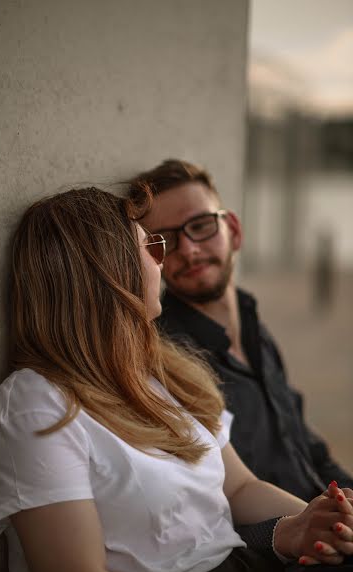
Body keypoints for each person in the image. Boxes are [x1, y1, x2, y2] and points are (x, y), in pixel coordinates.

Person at [0, 187, 353, 572]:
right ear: (111, 273)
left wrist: (316, 522)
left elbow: (240, 487)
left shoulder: (161, 372)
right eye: (152, 246)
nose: (163, 261)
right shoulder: (33, 410)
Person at [129, 159, 353, 503]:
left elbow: (309, 448)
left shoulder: (253, 326)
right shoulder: (166, 360)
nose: (188, 249)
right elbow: (215, 504)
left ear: (233, 229)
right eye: (167, 240)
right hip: (281, 545)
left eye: (200, 225)